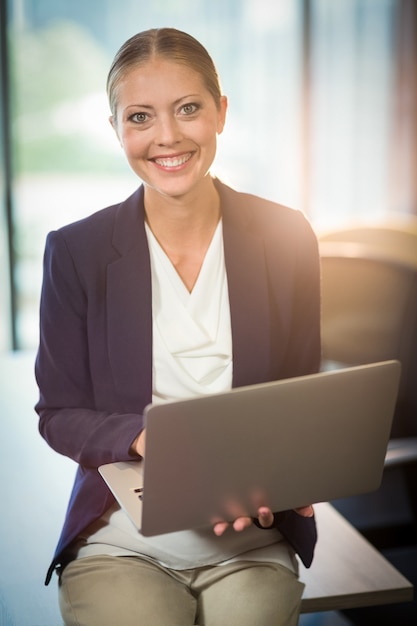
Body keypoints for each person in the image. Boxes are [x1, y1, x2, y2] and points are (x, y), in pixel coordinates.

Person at [35, 27, 321, 626]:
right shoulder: (76, 251)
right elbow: (59, 413)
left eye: (188, 108)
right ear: (116, 129)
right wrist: (144, 437)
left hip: (252, 537)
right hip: (123, 537)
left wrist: (292, 473)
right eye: (140, 117)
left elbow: (304, 401)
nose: (167, 136)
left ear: (221, 112)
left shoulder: (287, 237)